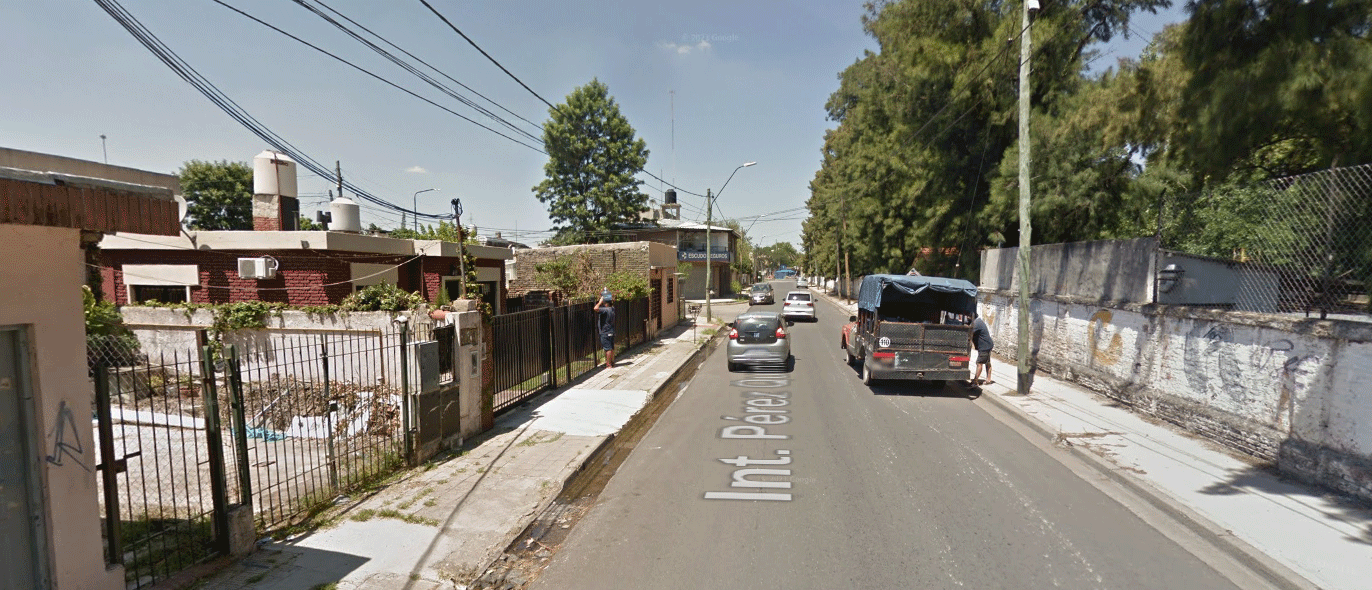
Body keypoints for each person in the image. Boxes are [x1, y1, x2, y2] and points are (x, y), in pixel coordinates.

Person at [594, 292, 616, 368]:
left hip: (605, 332)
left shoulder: (605, 310)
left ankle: (608, 364)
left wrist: (599, 302)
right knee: (611, 348)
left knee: (608, 349)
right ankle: (612, 362)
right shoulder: (612, 309)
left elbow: (595, 308)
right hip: (611, 331)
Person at [971, 315, 994, 385]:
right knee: (987, 362)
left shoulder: (976, 323)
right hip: (987, 345)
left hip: (984, 346)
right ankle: (988, 379)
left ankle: (975, 381)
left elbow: (969, 332)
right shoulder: (978, 321)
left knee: (979, 363)